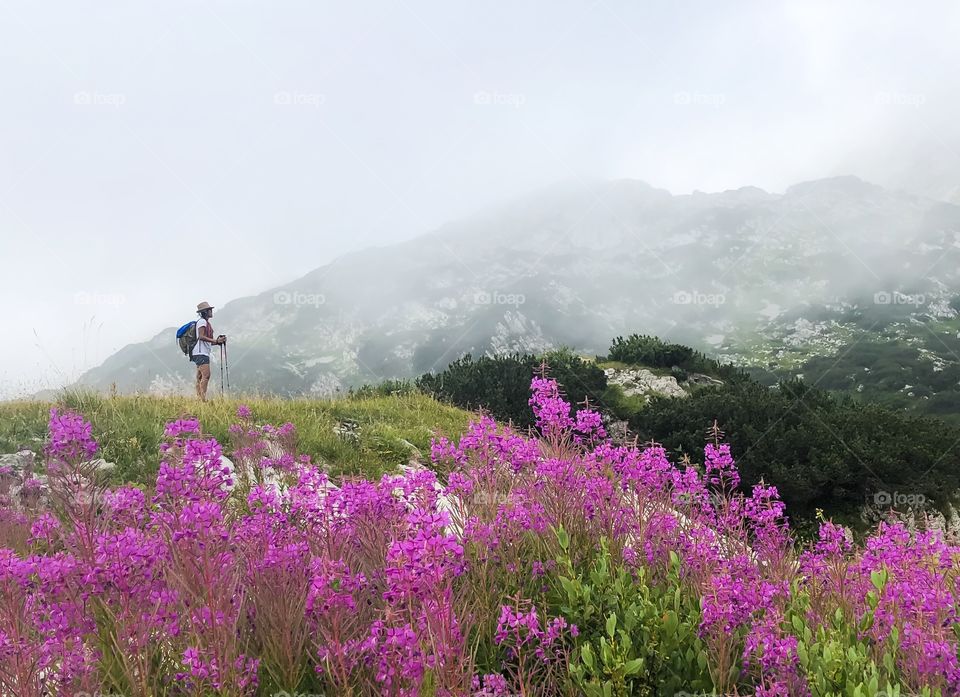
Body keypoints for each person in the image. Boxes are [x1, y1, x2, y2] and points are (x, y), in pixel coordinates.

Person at [192, 301, 225, 401]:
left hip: (199, 353)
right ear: (205, 312)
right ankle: (202, 399)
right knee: (206, 375)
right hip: (201, 353)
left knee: (200, 377)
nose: (211, 311)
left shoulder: (204, 322)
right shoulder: (202, 322)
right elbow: (201, 337)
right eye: (210, 310)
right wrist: (216, 340)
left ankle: (199, 398)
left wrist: (218, 342)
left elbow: (206, 341)